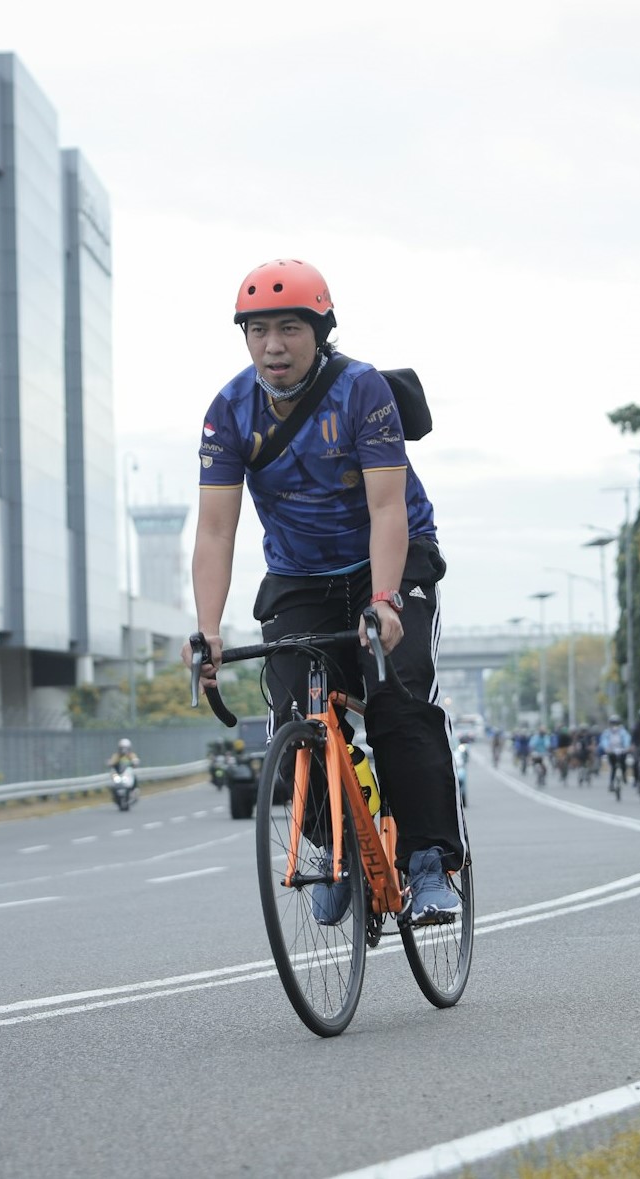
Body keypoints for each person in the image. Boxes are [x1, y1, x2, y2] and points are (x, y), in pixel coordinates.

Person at [180, 258, 465, 924]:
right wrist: (209, 629)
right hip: (298, 576)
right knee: (291, 720)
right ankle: (336, 843)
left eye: (288, 328)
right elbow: (216, 532)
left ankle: (427, 863)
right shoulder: (227, 413)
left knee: (395, 702)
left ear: (320, 330)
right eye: (256, 331)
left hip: (389, 559)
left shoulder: (361, 391)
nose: (272, 345)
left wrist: (388, 599)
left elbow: (388, 508)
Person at [600, 715, 631, 795]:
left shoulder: (623, 732)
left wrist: (627, 747)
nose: (614, 726)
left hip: (621, 751)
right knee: (613, 768)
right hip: (611, 752)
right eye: (613, 723)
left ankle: (624, 776)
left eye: (616, 723)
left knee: (623, 764)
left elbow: (627, 739)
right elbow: (604, 741)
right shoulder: (607, 732)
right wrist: (606, 748)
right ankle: (611, 784)